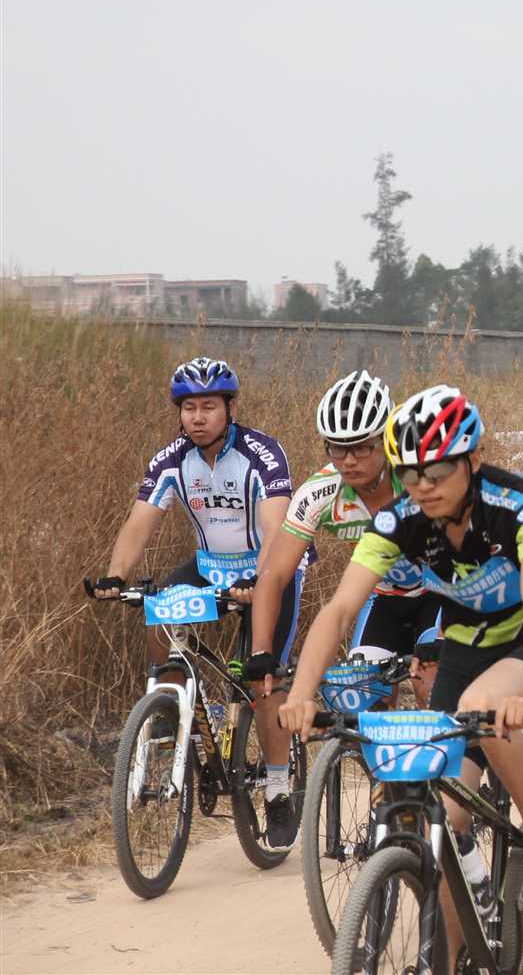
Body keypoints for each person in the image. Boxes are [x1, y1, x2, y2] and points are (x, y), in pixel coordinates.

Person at [281, 385, 523, 919]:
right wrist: (302, 694)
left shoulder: (521, 506)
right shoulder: (399, 520)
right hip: (465, 649)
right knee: (441, 822)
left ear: (474, 460)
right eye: (412, 473)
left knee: (484, 707)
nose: (424, 486)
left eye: (438, 472)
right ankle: (468, 916)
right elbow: (341, 609)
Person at [89, 357, 301, 847]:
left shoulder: (262, 454)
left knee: (263, 677)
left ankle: (277, 789)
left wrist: (259, 577)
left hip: (270, 568)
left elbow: (276, 527)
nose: (198, 417)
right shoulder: (170, 460)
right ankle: (172, 711)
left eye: (209, 406)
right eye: (189, 408)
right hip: (210, 566)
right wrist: (116, 576)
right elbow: (139, 522)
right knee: (157, 608)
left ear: (229, 409)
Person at [249, 372, 440, 710]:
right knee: (365, 702)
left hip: (439, 595)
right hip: (383, 599)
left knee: (432, 686)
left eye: (362, 447)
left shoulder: (419, 481)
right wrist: (262, 651)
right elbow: (274, 575)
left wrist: (445, 638)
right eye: (338, 448)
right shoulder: (319, 493)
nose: (349, 460)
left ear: (386, 441)